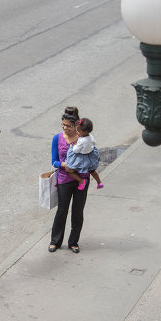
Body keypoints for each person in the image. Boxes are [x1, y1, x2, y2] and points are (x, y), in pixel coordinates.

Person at [48, 106, 90, 254]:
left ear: (76, 125)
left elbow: (91, 157)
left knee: (78, 211)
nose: (65, 128)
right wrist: (64, 164)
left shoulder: (84, 139)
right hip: (64, 179)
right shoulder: (57, 138)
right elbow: (54, 161)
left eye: (69, 126)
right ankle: (55, 241)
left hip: (82, 180)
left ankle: (73, 242)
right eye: (63, 125)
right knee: (62, 210)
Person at [62, 117, 103, 191]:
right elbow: (94, 143)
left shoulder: (82, 141)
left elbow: (76, 150)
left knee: (69, 170)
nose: (77, 132)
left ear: (85, 132)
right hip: (90, 155)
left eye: (79, 131)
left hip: (81, 157)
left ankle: (81, 181)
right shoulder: (91, 136)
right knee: (92, 170)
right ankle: (99, 182)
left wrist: (74, 145)